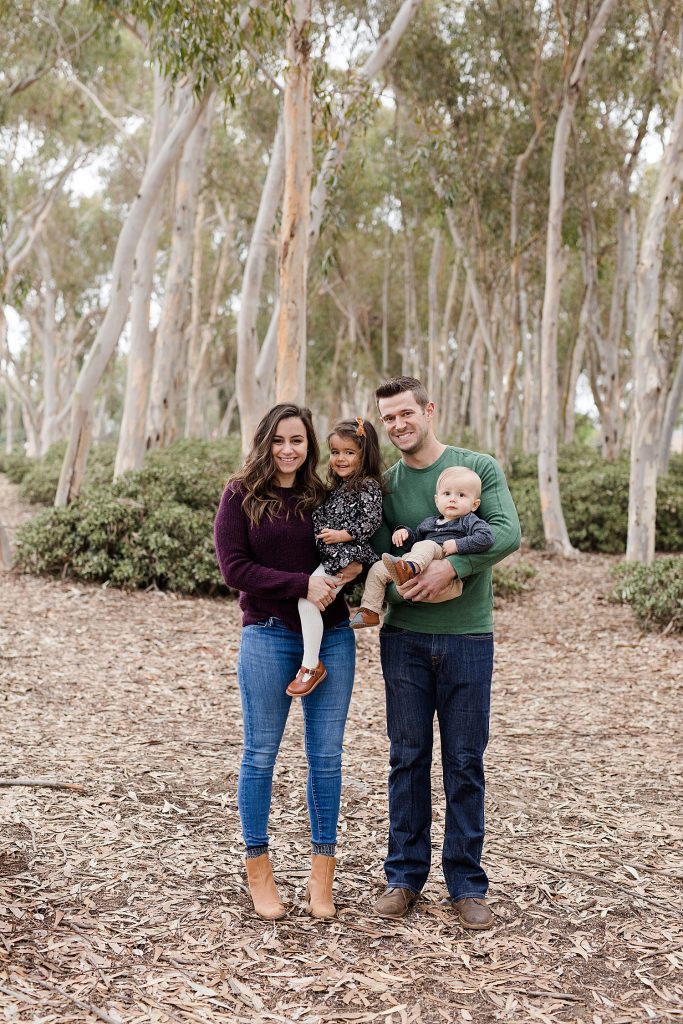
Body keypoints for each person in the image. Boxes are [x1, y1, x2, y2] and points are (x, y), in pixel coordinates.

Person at [370, 376, 520, 930]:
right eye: (388, 418)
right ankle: (404, 878)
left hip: (468, 638)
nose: (397, 425)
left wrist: (449, 567)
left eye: (406, 413)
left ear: (428, 410)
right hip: (404, 637)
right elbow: (381, 552)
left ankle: (466, 884)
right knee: (406, 758)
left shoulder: (476, 467)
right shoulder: (384, 485)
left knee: (464, 760)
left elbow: (505, 534)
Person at [213, 403, 359, 921]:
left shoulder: (323, 495)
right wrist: (302, 585)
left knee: (326, 759)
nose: (288, 449)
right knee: (259, 755)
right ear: (264, 442)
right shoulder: (241, 496)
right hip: (268, 637)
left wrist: (343, 581)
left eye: (297, 440)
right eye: (278, 440)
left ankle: (322, 875)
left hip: (333, 638)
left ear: (309, 444)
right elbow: (234, 569)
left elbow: (351, 549)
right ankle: (259, 869)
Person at [288, 417, 384, 697]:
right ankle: (310, 663)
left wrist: (342, 535)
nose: (340, 459)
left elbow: (370, 522)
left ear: (365, 455)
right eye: (335, 452)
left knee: (307, 601)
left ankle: (310, 666)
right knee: (311, 602)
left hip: (347, 555)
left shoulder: (367, 486)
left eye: (349, 452)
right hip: (334, 557)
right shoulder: (338, 488)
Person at [349, 465, 494, 628]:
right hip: (421, 567)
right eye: (447, 493)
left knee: (427, 545)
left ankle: (408, 569)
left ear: (474, 504)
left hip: (447, 579)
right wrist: (405, 535)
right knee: (378, 568)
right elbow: (415, 544)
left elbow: (486, 537)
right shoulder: (429, 522)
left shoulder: (468, 520)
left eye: (461, 495)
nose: (453, 499)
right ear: (437, 499)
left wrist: (458, 545)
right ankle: (370, 611)